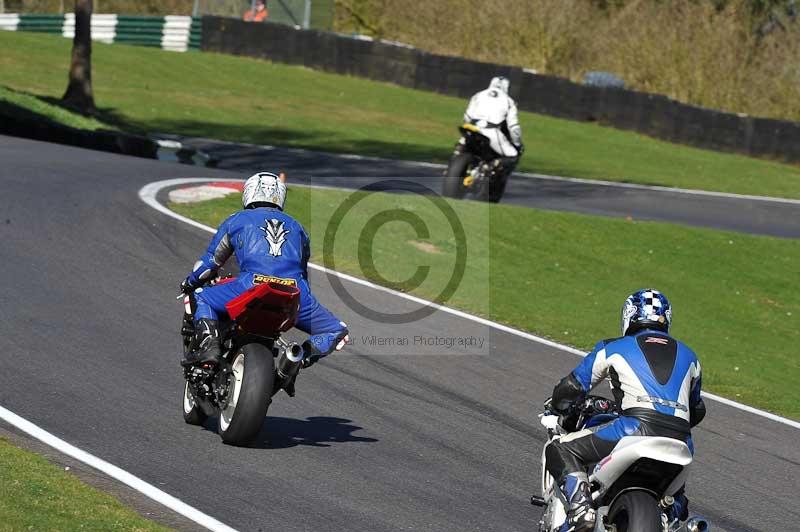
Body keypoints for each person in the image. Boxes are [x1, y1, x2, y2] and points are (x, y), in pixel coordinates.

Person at [545, 289, 705, 532]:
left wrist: (557, 406)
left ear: (629, 315)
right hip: (681, 440)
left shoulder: (614, 347)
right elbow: (697, 410)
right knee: (677, 496)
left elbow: (573, 386)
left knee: (559, 448)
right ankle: (673, 517)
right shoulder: (691, 357)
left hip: (634, 428)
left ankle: (581, 511)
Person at [180, 172, 348, 375]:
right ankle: (297, 357)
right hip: (294, 294)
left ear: (249, 193)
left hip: (249, 287)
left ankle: (210, 346)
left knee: (200, 297)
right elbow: (302, 272)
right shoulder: (299, 228)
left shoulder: (237, 220)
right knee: (336, 330)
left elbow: (210, 263)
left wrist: (190, 282)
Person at [460, 76, 523, 181]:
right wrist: (517, 143)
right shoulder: (509, 101)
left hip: (471, 127)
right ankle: (491, 165)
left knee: (460, 146)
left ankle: (453, 162)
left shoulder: (478, 95)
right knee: (513, 156)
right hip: (491, 131)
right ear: (507, 88)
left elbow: (467, 116)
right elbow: (514, 128)